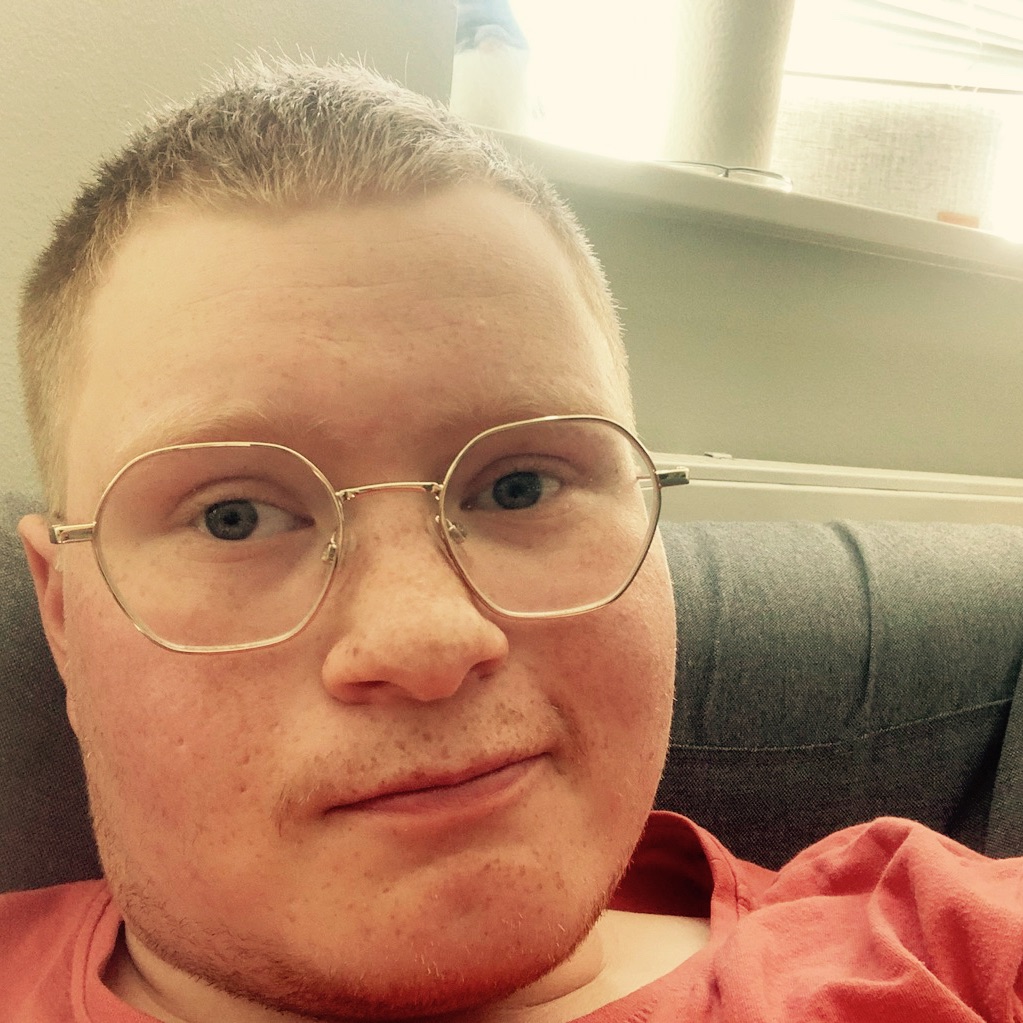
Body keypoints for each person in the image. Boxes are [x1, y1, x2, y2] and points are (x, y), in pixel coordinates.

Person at [4, 57, 1023, 1023]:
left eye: (518, 486)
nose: (426, 641)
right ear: (61, 612)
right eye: (234, 516)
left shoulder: (947, 949)